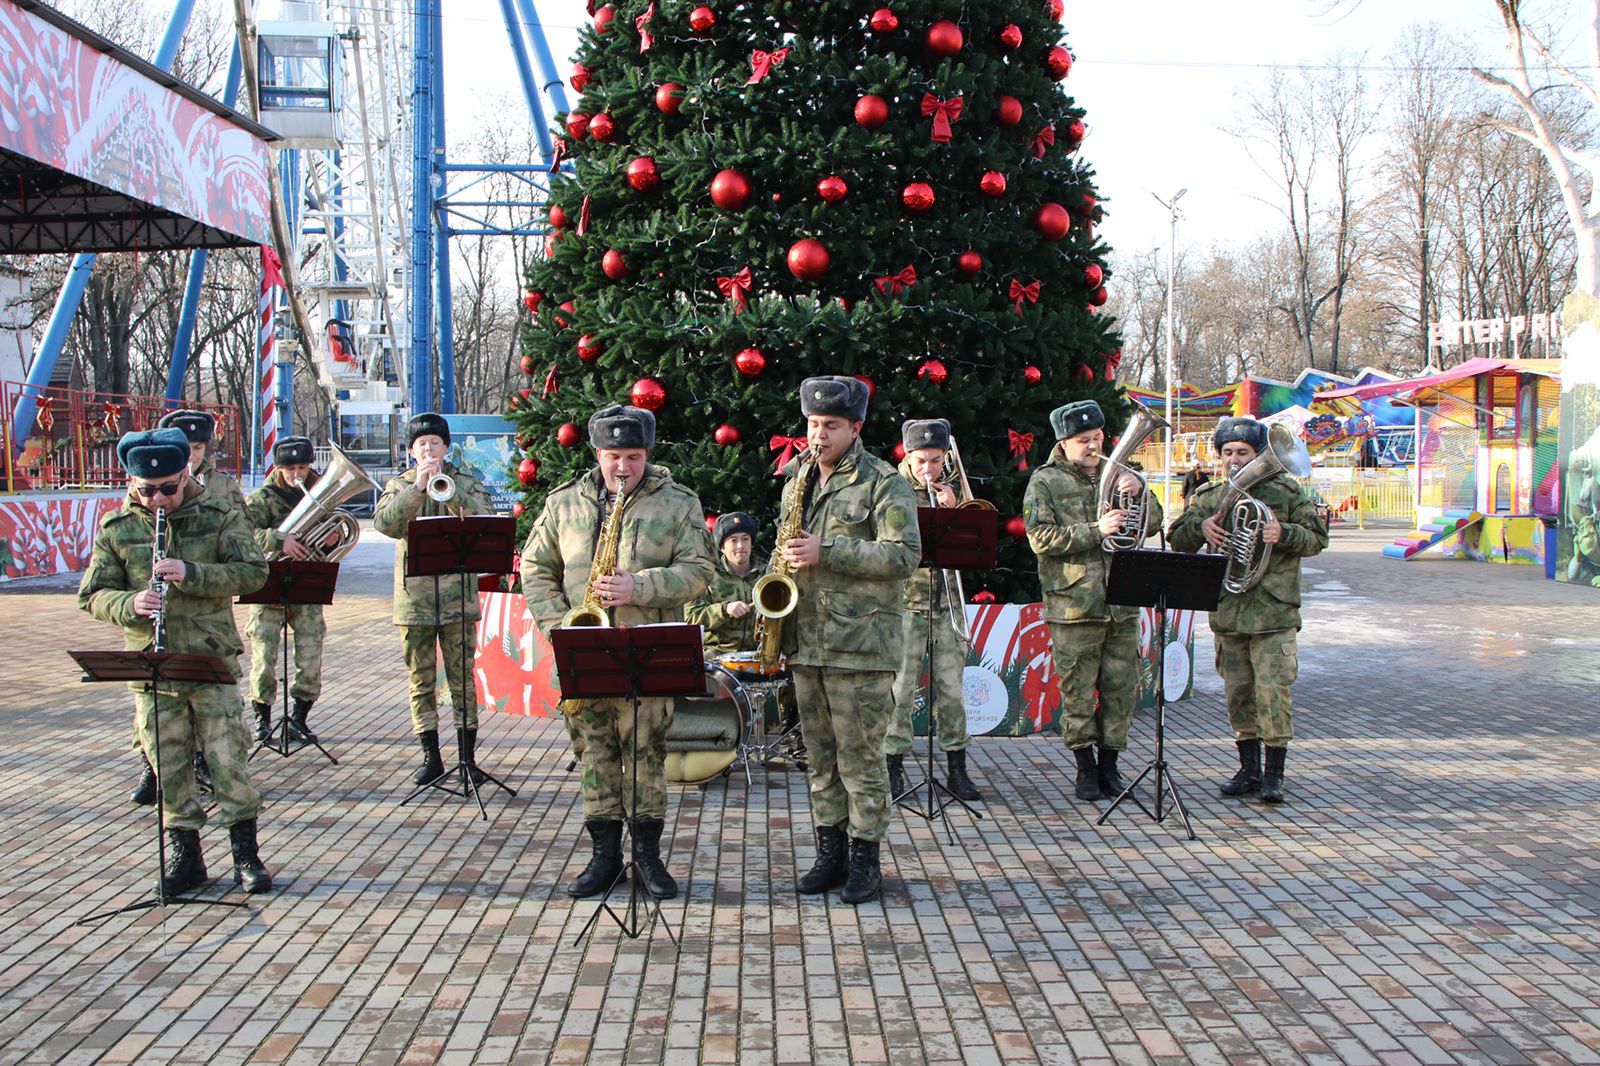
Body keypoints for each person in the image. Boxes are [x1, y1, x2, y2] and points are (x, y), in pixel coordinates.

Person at [520, 405, 714, 901]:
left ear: (647, 454)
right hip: (582, 651)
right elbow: (536, 569)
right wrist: (560, 627)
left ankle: (648, 858)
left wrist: (639, 587)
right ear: (597, 454)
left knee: (647, 757)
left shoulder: (678, 503)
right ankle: (604, 859)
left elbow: (700, 570)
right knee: (594, 754)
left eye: (633, 456)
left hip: (645, 651)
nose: (623, 467)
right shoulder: (564, 502)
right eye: (612, 456)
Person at [78, 428, 273, 894]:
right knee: (168, 764)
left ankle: (246, 854)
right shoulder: (118, 527)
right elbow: (92, 595)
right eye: (147, 491)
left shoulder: (220, 513)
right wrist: (130, 604)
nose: (158, 500)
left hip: (211, 659)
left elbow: (255, 572)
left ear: (186, 474)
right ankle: (186, 857)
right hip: (153, 666)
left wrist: (194, 573)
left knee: (228, 759)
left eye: (169, 487)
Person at [777, 376, 920, 905]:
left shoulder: (885, 481)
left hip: (860, 646)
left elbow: (904, 555)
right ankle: (829, 852)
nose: (819, 435)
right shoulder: (796, 480)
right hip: (806, 643)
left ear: (855, 427)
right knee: (819, 758)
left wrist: (828, 550)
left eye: (831, 426)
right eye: (814, 425)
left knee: (860, 759)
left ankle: (866, 859)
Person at [1169, 416, 1328, 803]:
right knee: (1238, 693)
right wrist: (1201, 527)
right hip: (1229, 610)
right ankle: (1249, 769)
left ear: (1258, 454)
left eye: (1243, 452)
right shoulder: (1209, 497)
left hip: (1273, 612)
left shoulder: (1287, 493)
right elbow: (1177, 540)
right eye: (1228, 453)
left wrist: (1283, 534)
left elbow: (1317, 538)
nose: (1235, 459)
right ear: (1220, 456)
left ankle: (1275, 774)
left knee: (1273, 692)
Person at [1024, 400, 1164, 802]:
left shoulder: (1119, 473)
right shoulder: (1046, 481)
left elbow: (1151, 524)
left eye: (1097, 438)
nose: (1092, 447)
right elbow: (1040, 540)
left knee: (1121, 691)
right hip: (1074, 606)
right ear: (1063, 443)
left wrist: (1141, 494)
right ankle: (1085, 769)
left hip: (1122, 601)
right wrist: (1095, 530)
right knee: (1079, 692)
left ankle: (1111, 767)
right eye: (1083, 441)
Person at [373, 413, 496, 786]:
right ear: (412, 451)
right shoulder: (398, 486)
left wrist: (452, 492)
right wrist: (418, 490)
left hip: (458, 599)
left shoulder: (466, 483)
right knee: (420, 681)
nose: (429, 449)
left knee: (463, 680)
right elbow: (386, 525)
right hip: (415, 602)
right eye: (421, 444)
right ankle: (431, 757)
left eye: (435, 443)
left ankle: (467, 758)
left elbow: (487, 517)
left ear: (446, 447)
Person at [882, 418, 981, 803]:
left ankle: (957, 768)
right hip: (905, 603)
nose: (929, 470)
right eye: (922, 461)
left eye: (936, 461)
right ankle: (893, 768)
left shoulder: (950, 486)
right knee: (900, 690)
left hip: (947, 602)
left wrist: (955, 511)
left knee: (952, 690)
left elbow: (974, 544)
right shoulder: (891, 488)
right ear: (907, 455)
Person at [242, 436, 338, 743]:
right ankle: (262, 719)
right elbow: (243, 534)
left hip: (307, 583)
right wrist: (278, 540)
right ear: (278, 468)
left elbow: (337, 526)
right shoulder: (262, 498)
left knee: (311, 653)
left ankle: (299, 717)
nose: (297, 474)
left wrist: (332, 537)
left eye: (302, 467)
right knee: (263, 655)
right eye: (290, 469)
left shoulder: (322, 490)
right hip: (268, 582)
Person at [685, 512, 764, 656]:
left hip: (759, 654)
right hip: (717, 654)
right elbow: (690, 617)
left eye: (745, 539)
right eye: (733, 540)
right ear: (722, 547)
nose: (740, 546)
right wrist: (724, 609)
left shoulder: (766, 574)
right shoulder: (707, 575)